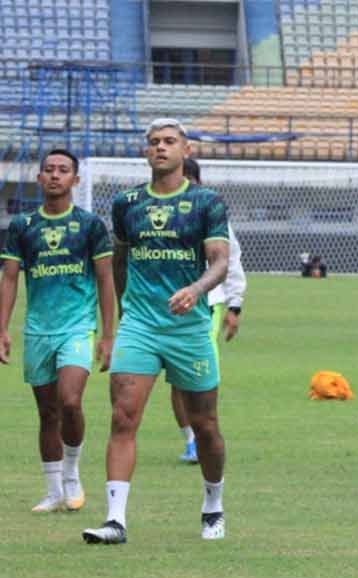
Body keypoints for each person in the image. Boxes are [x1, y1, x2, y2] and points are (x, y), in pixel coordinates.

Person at [81, 119, 231, 544]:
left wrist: (196, 288)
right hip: (141, 326)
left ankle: (213, 503)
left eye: (168, 142)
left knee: (205, 426)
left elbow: (220, 261)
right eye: (153, 143)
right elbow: (121, 264)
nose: (159, 148)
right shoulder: (126, 203)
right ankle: (115, 520)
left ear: (185, 148)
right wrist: (126, 315)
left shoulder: (207, 202)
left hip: (189, 326)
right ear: (145, 152)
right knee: (123, 416)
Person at [0, 148, 114, 513]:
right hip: (38, 331)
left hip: (77, 327)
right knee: (47, 413)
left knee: (70, 401)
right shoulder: (23, 227)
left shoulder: (91, 226)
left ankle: (72, 473)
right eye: (48, 169)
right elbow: (10, 279)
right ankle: (52, 491)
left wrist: (108, 334)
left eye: (63, 170)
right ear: (39, 178)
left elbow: (105, 278)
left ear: (75, 180)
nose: (54, 175)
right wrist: (2, 329)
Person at [172, 158, 245, 464]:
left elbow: (232, 261)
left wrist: (235, 305)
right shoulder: (156, 217)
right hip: (164, 305)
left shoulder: (214, 217)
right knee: (177, 378)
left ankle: (204, 435)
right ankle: (191, 440)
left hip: (207, 303)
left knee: (199, 371)